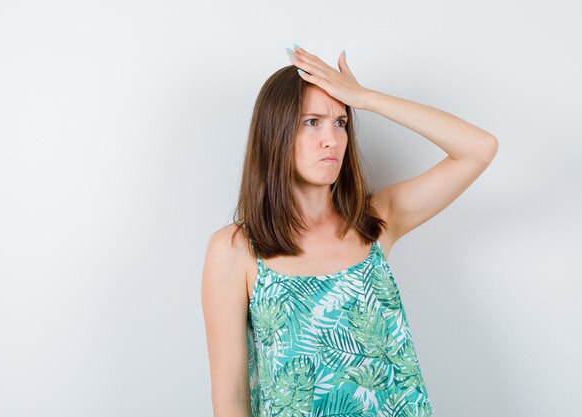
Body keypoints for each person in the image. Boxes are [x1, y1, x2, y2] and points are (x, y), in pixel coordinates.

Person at [201, 44, 498, 417]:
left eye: (340, 122)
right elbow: (231, 399)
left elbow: (479, 149)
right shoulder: (236, 250)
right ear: (275, 132)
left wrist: (367, 99)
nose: (332, 139)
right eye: (312, 122)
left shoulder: (374, 222)